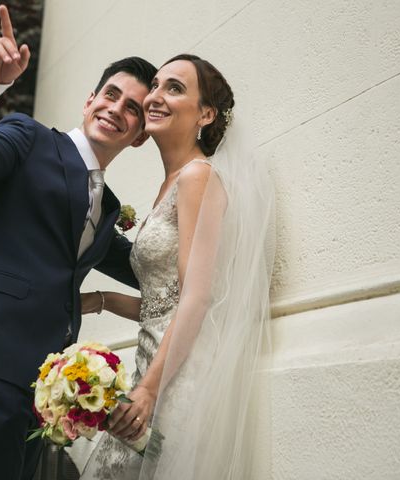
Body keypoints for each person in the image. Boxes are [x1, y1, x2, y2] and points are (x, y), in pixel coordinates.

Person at [0, 5, 157, 480]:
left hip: (37, 388)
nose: (117, 109)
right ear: (89, 101)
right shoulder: (27, 138)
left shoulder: (105, 206)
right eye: (111, 94)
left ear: (139, 136)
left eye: (133, 107)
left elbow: (150, 270)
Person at [80, 54, 275, 479]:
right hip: (153, 364)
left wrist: (150, 389)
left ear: (206, 114)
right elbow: (162, 301)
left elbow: (197, 297)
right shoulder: (171, 183)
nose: (155, 96)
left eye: (175, 88)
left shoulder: (196, 176)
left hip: (175, 377)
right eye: (156, 86)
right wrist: (100, 301)